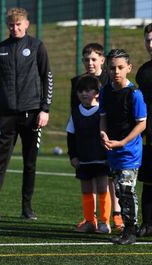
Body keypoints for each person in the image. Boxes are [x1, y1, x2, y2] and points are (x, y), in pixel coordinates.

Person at [0, 7, 53, 221]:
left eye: (18, 24)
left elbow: (48, 79)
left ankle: (27, 209)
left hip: (32, 114)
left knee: (30, 162)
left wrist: (45, 109)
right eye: (11, 25)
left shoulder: (37, 47)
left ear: (26, 24)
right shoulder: (1, 49)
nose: (15, 28)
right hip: (6, 116)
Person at [70, 43, 123, 232]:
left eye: (93, 59)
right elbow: (75, 112)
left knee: (110, 179)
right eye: (86, 59)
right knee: (91, 181)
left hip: (107, 138)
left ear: (102, 60)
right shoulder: (78, 82)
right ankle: (90, 219)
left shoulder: (110, 79)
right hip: (86, 143)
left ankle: (115, 216)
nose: (89, 63)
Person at [100, 49, 147, 244]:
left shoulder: (134, 93)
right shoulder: (105, 91)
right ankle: (127, 229)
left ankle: (131, 232)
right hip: (113, 150)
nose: (116, 71)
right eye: (112, 68)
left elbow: (142, 123)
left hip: (129, 151)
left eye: (120, 67)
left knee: (127, 191)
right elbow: (102, 117)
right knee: (119, 190)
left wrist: (123, 142)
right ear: (107, 69)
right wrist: (102, 133)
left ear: (129, 68)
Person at [66, 75, 111, 234]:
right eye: (81, 91)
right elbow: (70, 137)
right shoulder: (75, 113)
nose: (84, 94)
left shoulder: (102, 111)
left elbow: (108, 134)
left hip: (101, 159)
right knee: (86, 190)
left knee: (102, 189)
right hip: (83, 159)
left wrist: (109, 155)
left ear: (97, 93)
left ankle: (105, 222)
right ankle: (90, 222)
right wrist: (73, 156)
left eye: (88, 90)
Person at [136, 23, 152, 237]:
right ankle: (148, 225)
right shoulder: (144, 71)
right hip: (149, 135)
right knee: (148, 181)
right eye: (148, 40)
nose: (151, 44)